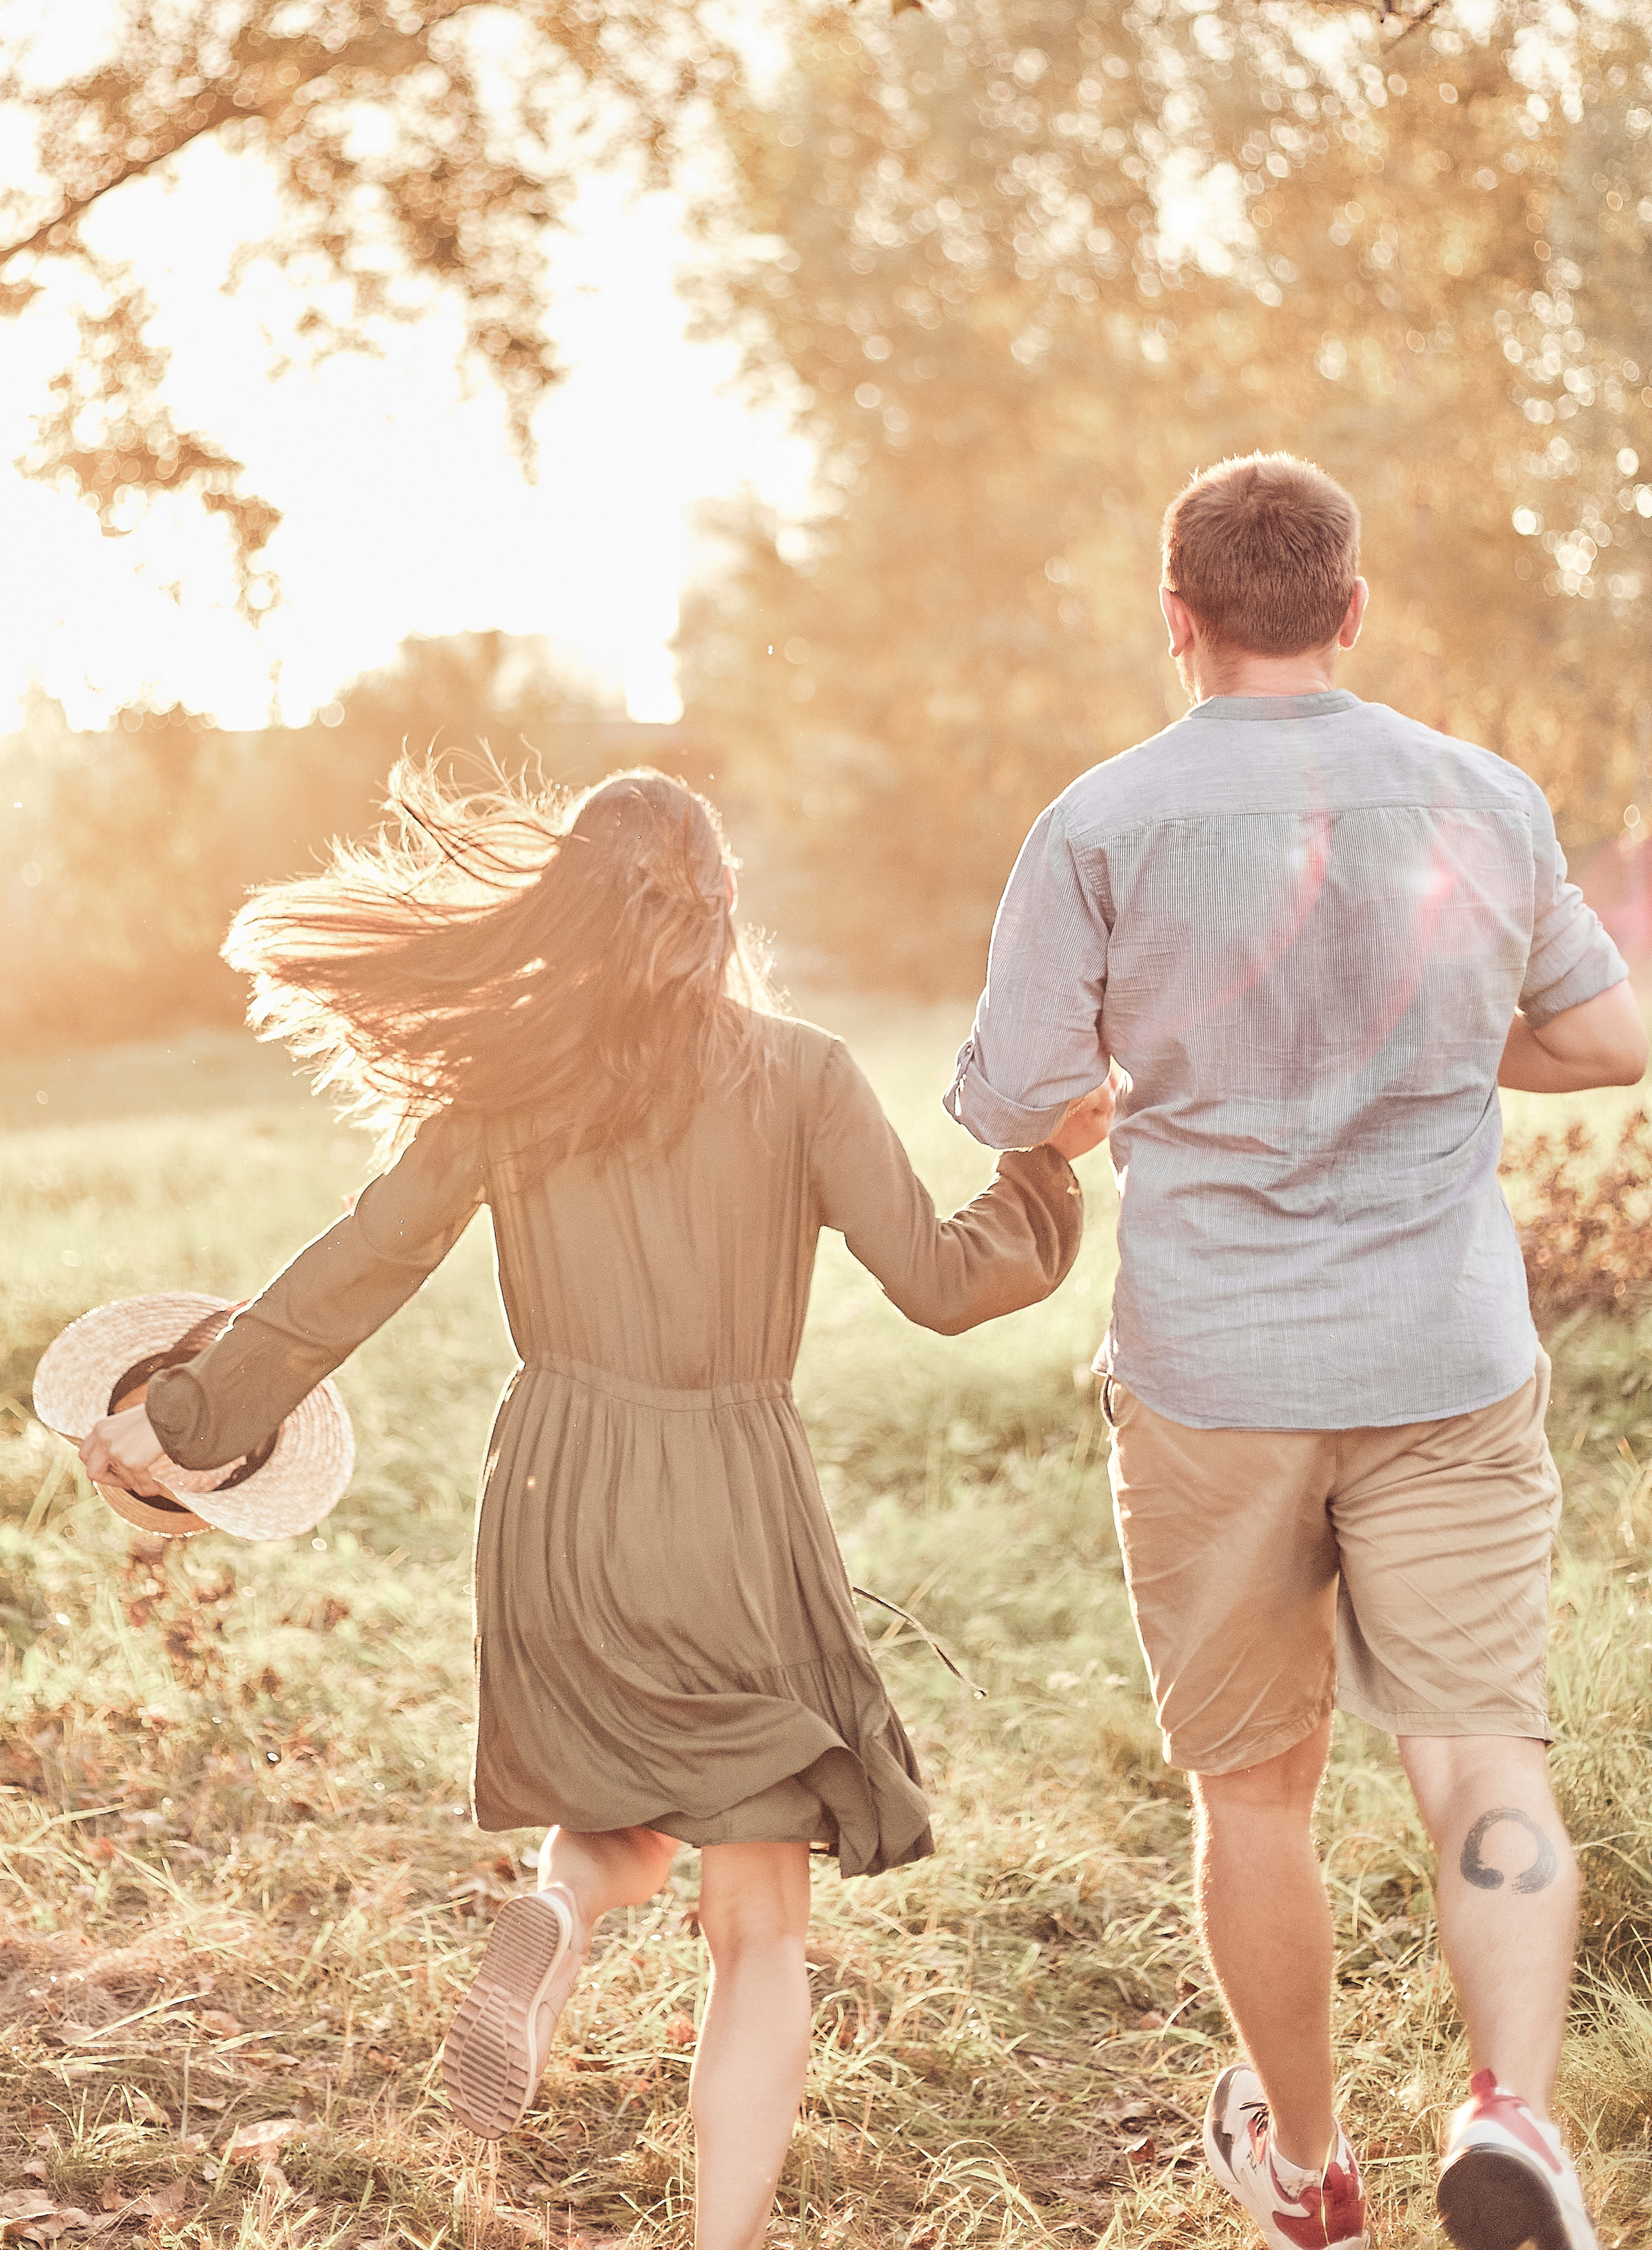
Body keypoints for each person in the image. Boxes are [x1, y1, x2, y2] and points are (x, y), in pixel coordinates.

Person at [77, 763, 1114, 2250]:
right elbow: (947, 1286)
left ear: (560, 916)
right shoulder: (805, 1071)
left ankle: (554, 1923)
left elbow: (355, 1268)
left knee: (612, 1820)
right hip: (732, 1508)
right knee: (756, 1928)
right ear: (724, 904)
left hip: (554, 1502)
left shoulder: (505, 1090)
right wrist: (1043, 1167)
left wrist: (185, 1424)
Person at [945, 452, 1646, 2250]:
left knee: (1254, 1797)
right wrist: (1429, 1041)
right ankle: (1512, 2116)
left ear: (1174, 622)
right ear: (1349, 609)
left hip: (1214, 1377)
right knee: (1483, 1752)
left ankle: (1315, 2169)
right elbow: (1607, 1037)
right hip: (1445, 1357)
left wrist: (1171, 1074)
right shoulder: (1482, 798)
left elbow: (1018, 1100)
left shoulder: (1099, 824)